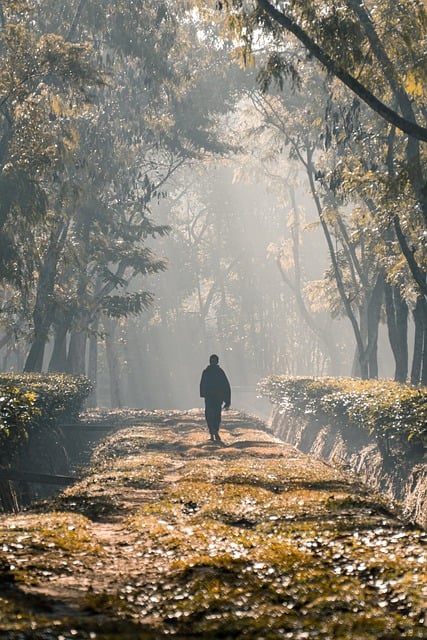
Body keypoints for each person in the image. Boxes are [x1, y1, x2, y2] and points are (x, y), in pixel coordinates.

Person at [200, 354, 231, 442]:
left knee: (215, 415)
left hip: (215, 398)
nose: (213, 362)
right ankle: (212, 431)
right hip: (213, 397)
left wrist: (227, 400)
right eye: (212, 361)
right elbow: (226, 386)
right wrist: (227, 400)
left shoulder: (210, 372)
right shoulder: (215, 372)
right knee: (212, 414)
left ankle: (214, 431)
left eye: (214, 361)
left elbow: (226, 386)